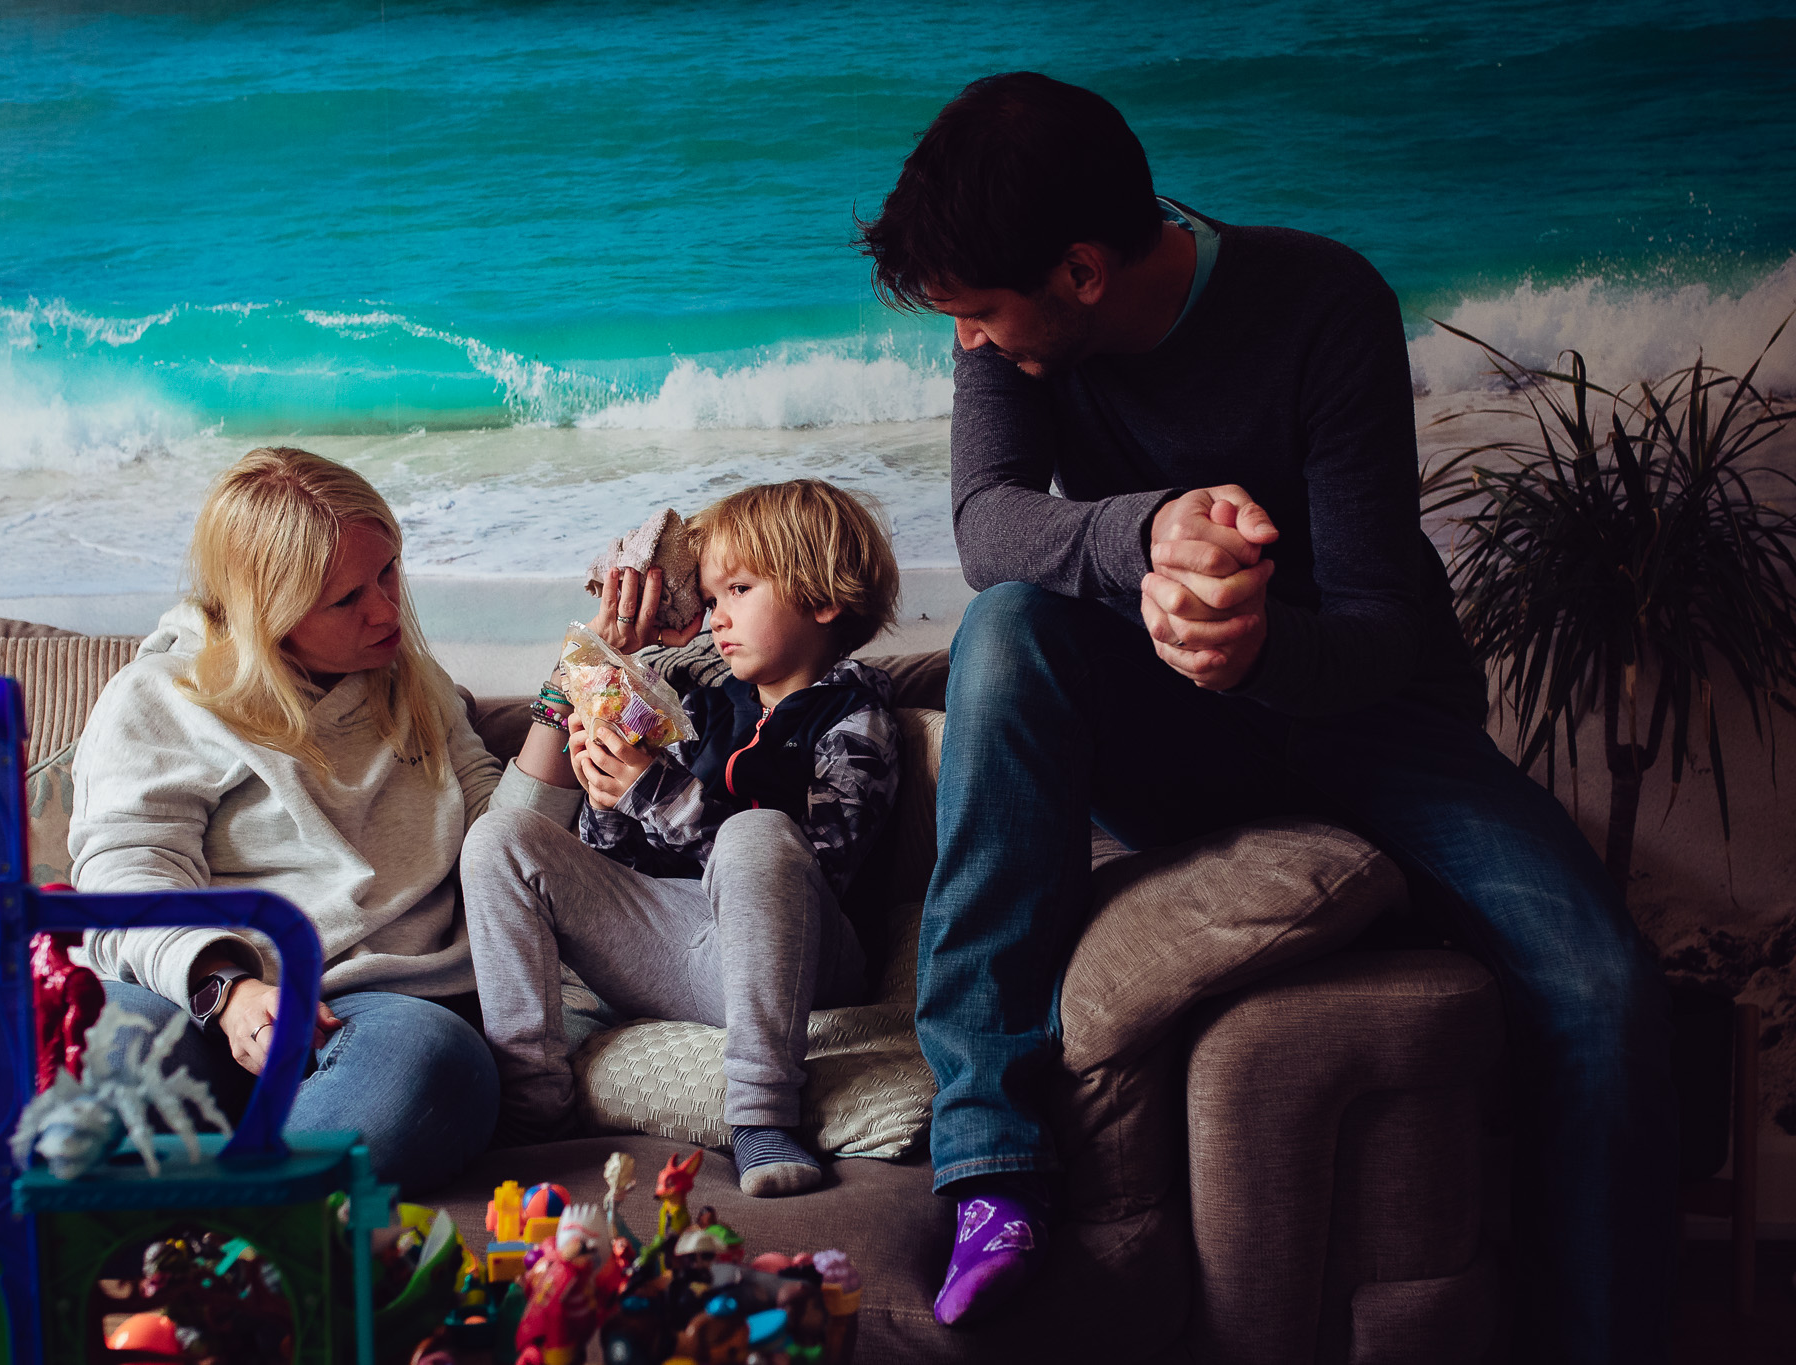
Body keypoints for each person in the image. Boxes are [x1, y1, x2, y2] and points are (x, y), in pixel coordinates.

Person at [857, 72, 1675, 1356]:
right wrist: (1149, 529)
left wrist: (1250, 650)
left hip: (1374, 718)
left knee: (1605, 988)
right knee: (1006, 624)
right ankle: (991, 1166)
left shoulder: (1320, 303)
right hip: (1167, 724)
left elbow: (1372, 627)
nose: (966, 340)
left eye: (978, 315)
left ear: (1080, 270)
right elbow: (988, 528)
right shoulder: (1005, 331)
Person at [70, 446, 585, 1192]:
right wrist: (227, 990)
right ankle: (245, 1219)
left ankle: (229, 1232)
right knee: (92, 1039)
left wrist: (569, 699)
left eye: (388, 572)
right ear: (266, 612)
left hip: (380, 1014)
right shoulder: (160, 694)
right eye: (345, 599)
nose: (385, 609)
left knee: (436, 1070)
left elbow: (500, 844)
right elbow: (123, 881)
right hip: (199, 993)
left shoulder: (413, 682)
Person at [461, 479, 901, 1197]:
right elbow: (619, 855)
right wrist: (606, 780)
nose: (717, 617)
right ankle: (532, 1106)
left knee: (759, 834)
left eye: (739, 590)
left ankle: (762, 1114)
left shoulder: (857, 720)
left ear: (823, 600)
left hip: (797, 958)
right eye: (712, 596)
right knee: (498, 838)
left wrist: (651, 787)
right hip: (676, 950)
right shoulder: (698, 698)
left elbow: (819, 867)